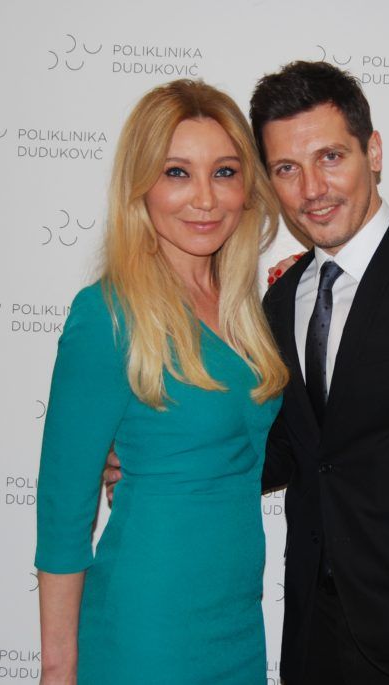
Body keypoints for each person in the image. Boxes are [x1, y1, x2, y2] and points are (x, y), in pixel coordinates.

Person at [107, 61, 389, 684]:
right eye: (286, 169)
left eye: (330, 157)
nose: (312, 188)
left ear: (373, 152)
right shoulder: (277, 300)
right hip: (313, 644)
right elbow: (290, 450)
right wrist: (157, 459)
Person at [35, 79, 288, 685]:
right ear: (141, 185)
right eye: (177, 173)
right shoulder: (107, 314)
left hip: (236, 624)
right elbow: (64, 510)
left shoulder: (246, 312)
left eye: (224, 172)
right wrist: (58, 668)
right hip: (147, 626)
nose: (205, 198)